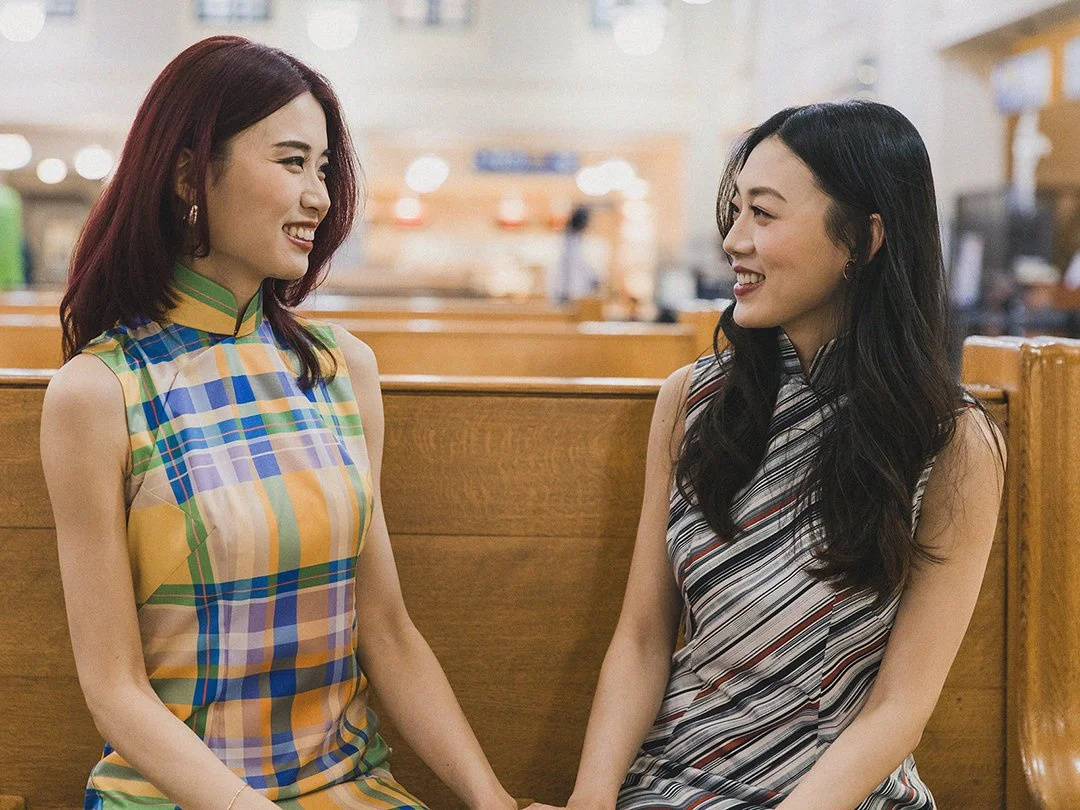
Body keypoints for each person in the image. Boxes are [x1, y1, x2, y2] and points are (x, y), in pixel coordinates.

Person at [40, 36, 516, 810]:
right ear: (190, 174)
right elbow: (116, 692)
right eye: (292, 162)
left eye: (323, 169)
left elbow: (386, 630)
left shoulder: (340, 369)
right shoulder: (100, 392)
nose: (320, 196)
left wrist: (492, 800)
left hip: (347, 786)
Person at [529, 101, 1006, 810]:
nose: (733, 241)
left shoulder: (950, 441)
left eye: (763, 213)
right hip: (673, 784)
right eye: (735, 212)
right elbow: (642, 638)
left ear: (864, 238)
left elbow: (898, 710)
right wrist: (590, 800)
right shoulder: (693, 400)